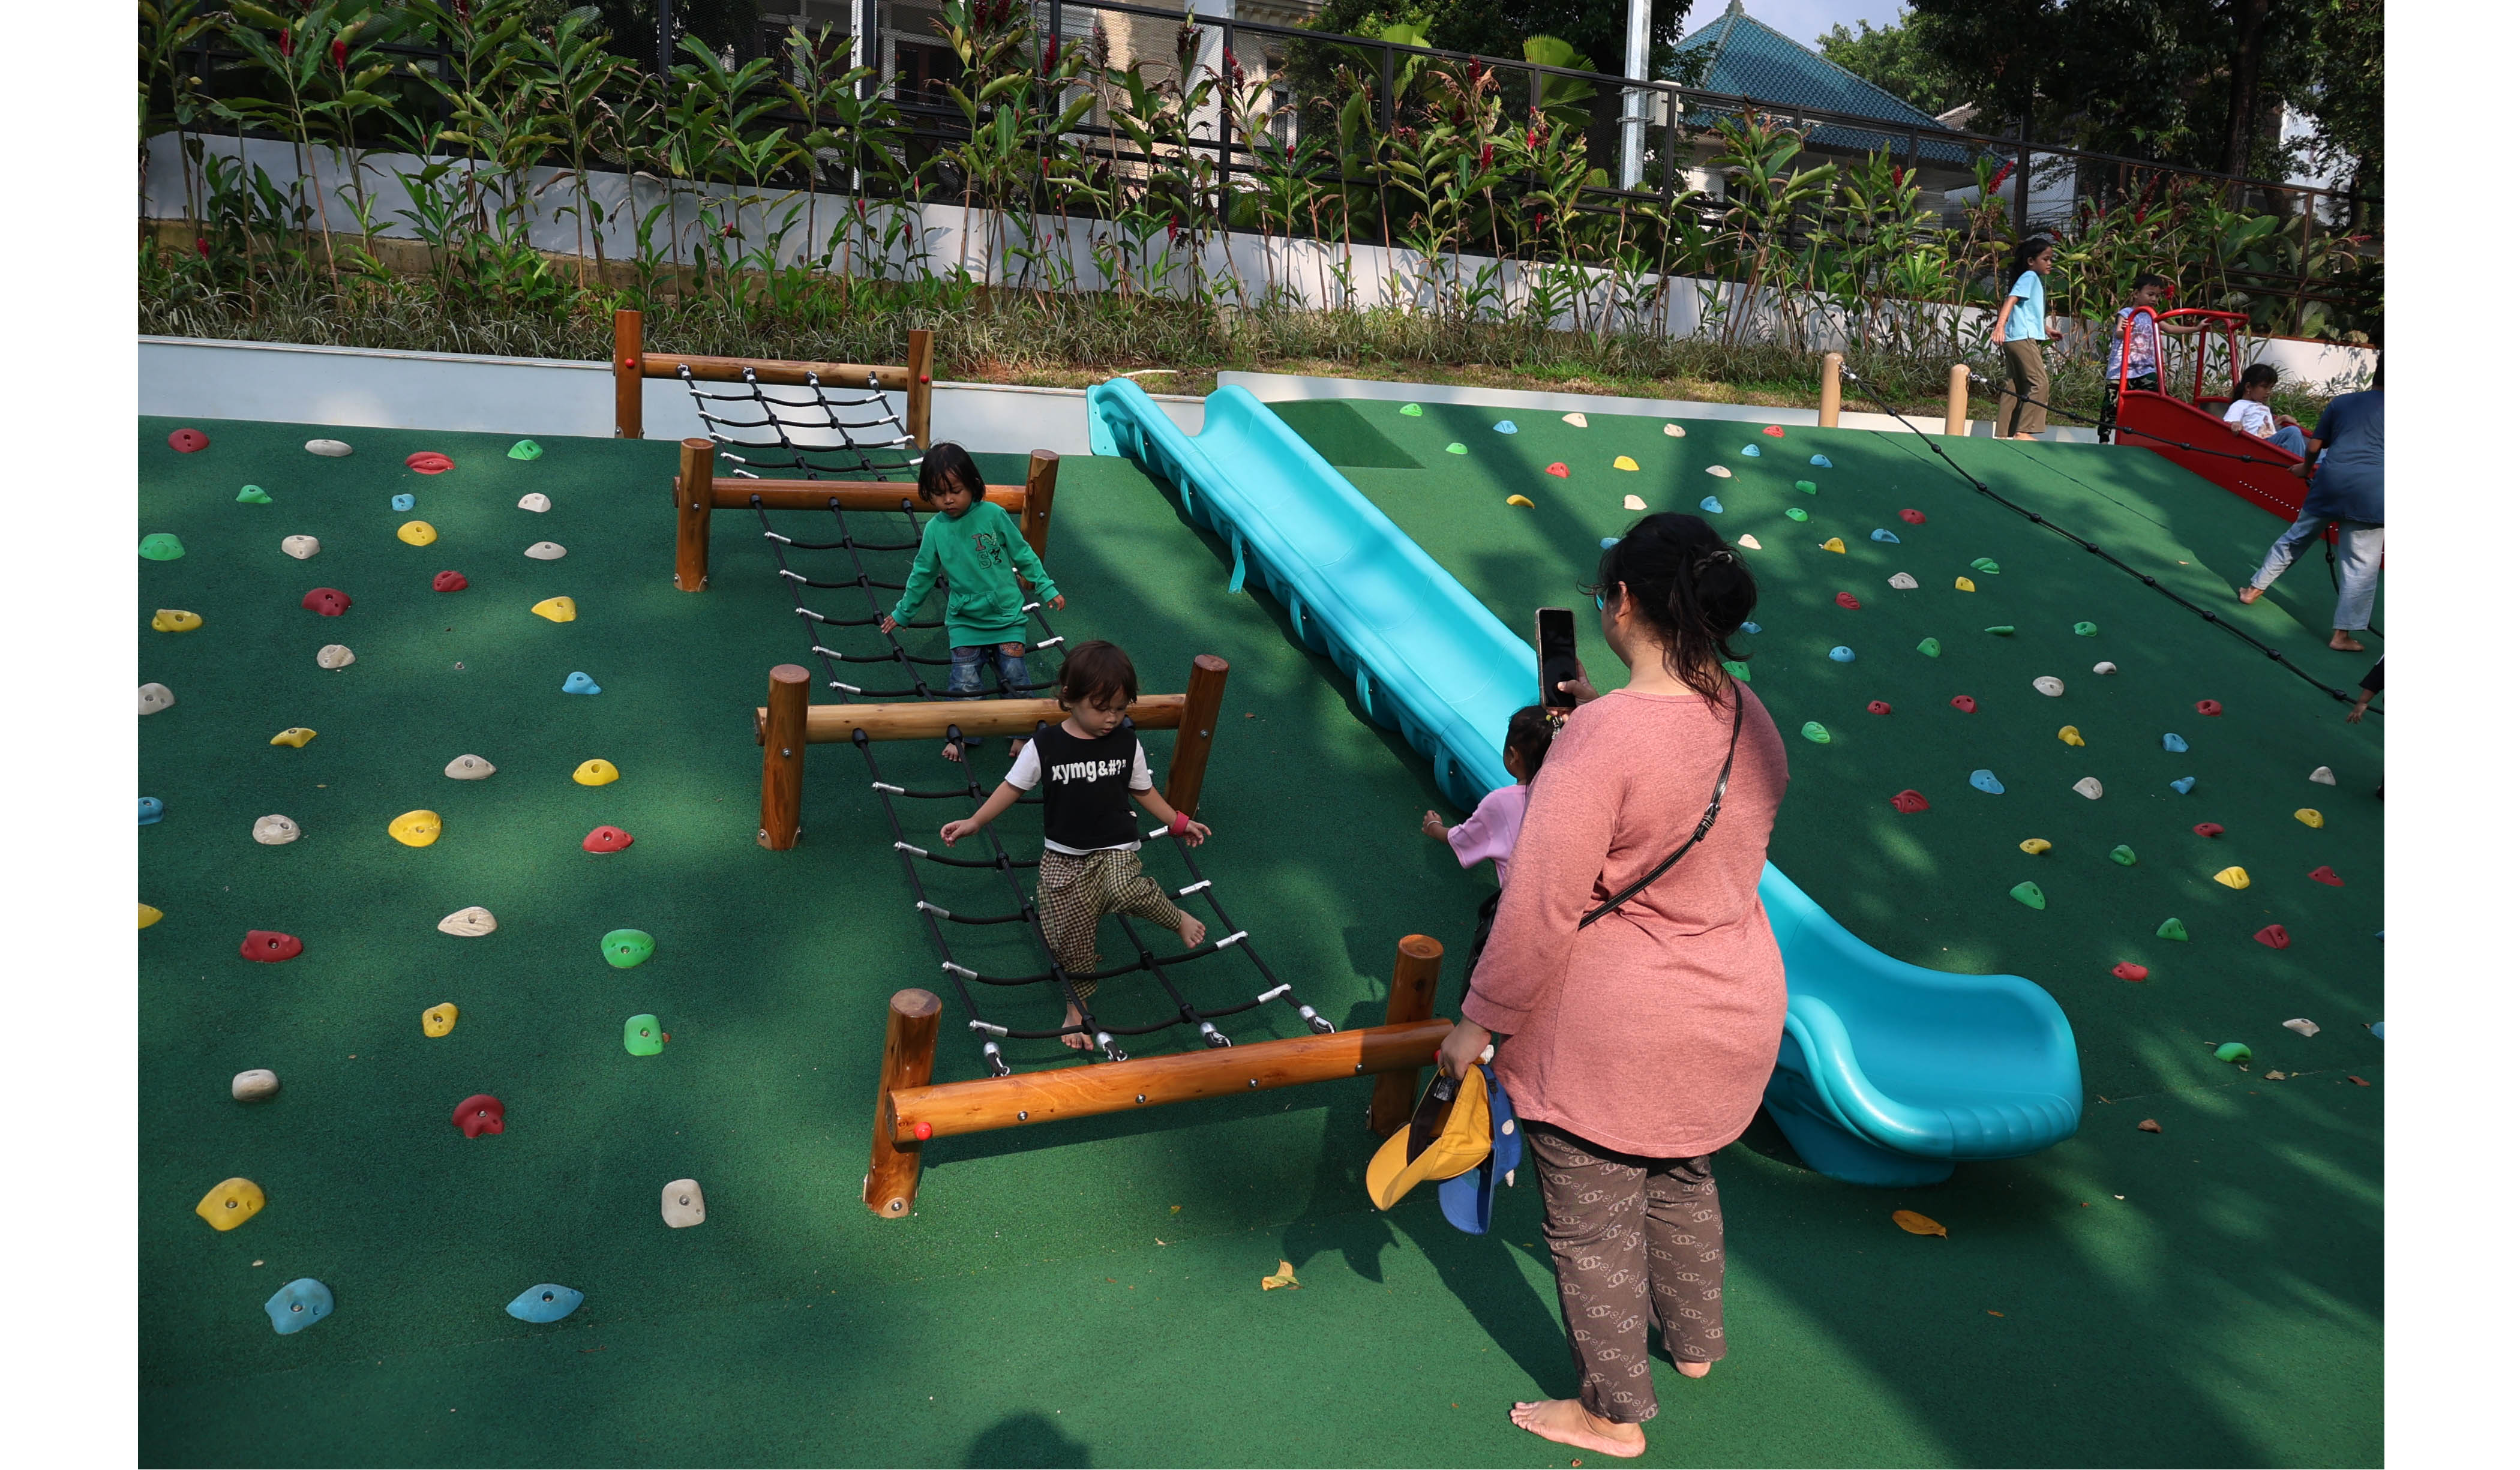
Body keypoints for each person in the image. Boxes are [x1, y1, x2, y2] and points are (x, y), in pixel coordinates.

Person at [1434, 514, 1791, 1460]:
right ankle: (1697, 1344)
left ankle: (1612, 1411)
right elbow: (1685, 796)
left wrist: (1477, 1027)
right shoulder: (1749, 716)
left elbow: (1541, 904)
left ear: (1622, 603)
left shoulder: (1600, 737)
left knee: (1590, 1223)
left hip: (1618, 1026)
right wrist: (1603, 709)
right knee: (1682, 1176)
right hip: (1734, 1007)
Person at [939, 640, 1210, 1050]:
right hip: (1064, 857)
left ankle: (1177, 919)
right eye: (1101, 708)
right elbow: (1012, 787)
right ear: (1069, 697)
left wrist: (1178, 822)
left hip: (1114, 848)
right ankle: (1076, 1010)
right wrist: (976, 821)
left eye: (1120, 709)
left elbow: (1144, 790)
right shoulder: (1045, 746)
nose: (1111, 718)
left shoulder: (1125, 743)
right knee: (1068, 942)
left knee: (1122, 887)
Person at [881, 442, 1066, 759]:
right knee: (964, 682)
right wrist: (904, 612)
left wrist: (1046, 587)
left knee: (1015, 675)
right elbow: (923, 575)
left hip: (1006, 616)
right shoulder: (935, 531)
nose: (948, 500)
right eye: (938, 493)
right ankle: (965, 734)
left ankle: (1022, 733)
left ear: (973, 486)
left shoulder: (992, 515)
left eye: (955, 490)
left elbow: (1023, 554)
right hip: (965, 620)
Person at [2237, 364, 2384, 652]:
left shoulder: (2343, 402)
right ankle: (2341, 636)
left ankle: (2253, 590)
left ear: (2376, 375)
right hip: (2374, 491)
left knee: (2297, 537)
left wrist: (2305, 469)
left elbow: (2315, 444)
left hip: (2332, 481)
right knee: (2361, 565)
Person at [1420, 704, 1556, 965]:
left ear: (1513, 755)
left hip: (1520, 918)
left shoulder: (1501, 803)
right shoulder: (1568, 798)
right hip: (1566, 913)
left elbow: (1461, 838)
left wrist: (1434, 828)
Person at [2096, 272, 2204, 444]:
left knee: (2158, 398)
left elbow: (2169, 329)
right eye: (2150, 294)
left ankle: (2158, 433)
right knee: (2112, 403)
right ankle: (2104, 436)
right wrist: (2125, 329)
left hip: (2144, 369)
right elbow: (2118, 333)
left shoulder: (2152, 315)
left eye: (2158, 296)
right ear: (2136, 294)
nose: (2154, 299)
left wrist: (2196, 329)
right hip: (2121, 369)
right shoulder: (2126, 314)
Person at [1990, 238, 2056, 439]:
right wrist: (1999, 326)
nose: (2050, 263)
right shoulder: (2030, 277)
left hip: (2014, 338)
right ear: (2031, 261)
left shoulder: (2028, 278)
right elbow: (2011, 300)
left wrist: (2045, 329)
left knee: (2014, 386)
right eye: (2045, 259)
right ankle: (2024, 431)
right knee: (2039, 382)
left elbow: (2026, 312)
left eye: (2051, 259)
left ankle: (2003, 435)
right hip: (2022, 339)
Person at [2224, 363, 2308, 458]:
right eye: (2264, 387)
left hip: (2270, 443)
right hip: (2258, 446)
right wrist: (2235, 424)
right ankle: (2302, 466)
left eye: (2271, 388)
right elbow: (2228, 423)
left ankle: (2314, 468)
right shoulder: (2240, 405)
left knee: (2317, 449)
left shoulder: (2264, 407)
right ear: (2248, 387)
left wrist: (2281, 419)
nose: (2268, 392)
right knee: (2293, 431)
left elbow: (2264, 427)